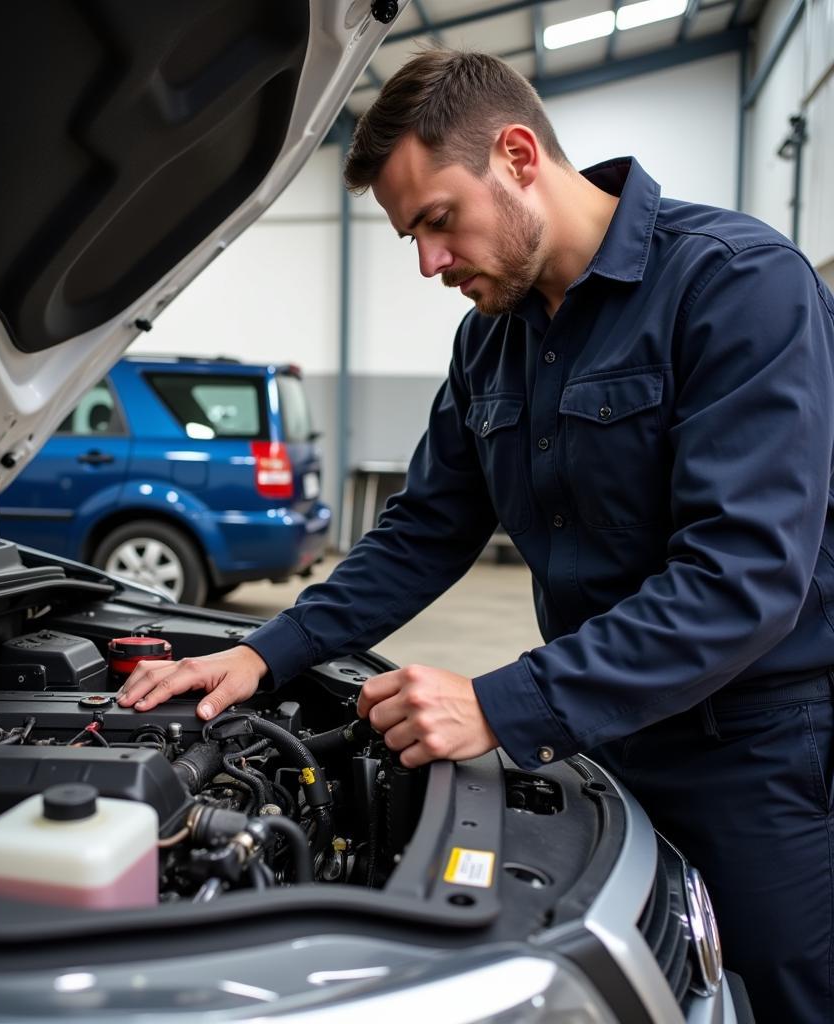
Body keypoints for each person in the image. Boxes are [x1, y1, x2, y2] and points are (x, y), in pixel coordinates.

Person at [118, 49, 834, 1019]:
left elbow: (740, 579)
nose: (427, 263)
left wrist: (501, 703)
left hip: (752, 755)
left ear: (517, 153)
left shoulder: (739, 287)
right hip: (595, 743)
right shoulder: (489, 340)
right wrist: (262, 652)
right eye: (410, 236)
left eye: (437, 221)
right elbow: (424, 527)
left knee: (777, 997)